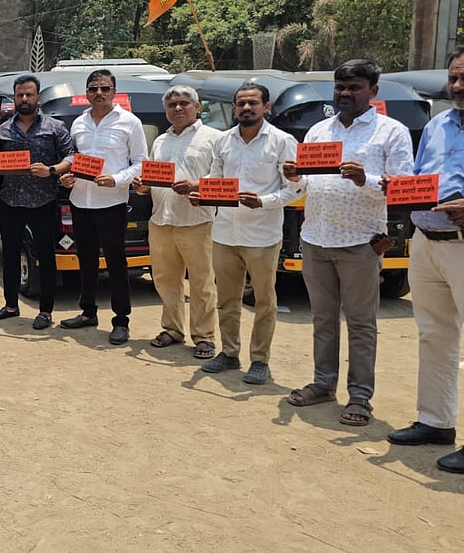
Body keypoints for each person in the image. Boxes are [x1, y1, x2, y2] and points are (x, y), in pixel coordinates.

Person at [283, 59, 413, 425]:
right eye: (340, 87)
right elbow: (306, 185)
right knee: (323, 319)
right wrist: (295, 176)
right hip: (316, 238)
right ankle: (324, 384)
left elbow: (403, 187)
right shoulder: (318, 131)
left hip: (360, 241)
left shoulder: (391, 131)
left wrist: (364, 179)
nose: (345, 93)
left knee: (360, 323)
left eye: (354, 87)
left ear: (373, 90)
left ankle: (359, 397)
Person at [386, 45, 464, 472]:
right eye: (453, 78)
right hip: (428, 240)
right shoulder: (437, 124)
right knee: (433, 334)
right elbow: (421, 179)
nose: (458, 86)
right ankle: (435, 421)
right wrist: (396, 187)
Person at [193, 83, 299, 385]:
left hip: (262, 235)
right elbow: (216, 177)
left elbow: (295, 188)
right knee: (227, 300)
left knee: (264, 301)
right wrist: (202, 192)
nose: (246, 108)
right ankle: (229, 353)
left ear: (266, 107)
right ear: (234, 108)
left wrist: (263, 201)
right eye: (241, 103)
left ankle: (260, 360)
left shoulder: (282, 141)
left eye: (253, 103)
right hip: (225, 232)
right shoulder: (224, 140)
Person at [58, 69, 148, 345]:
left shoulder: (129, 122)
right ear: (86, 93)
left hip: (111, 203)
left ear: (114, 92)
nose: (99, 93)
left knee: (116, 263)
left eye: (105, 88)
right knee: (85, 261)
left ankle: (121, 320)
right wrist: (68, 177)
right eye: (93, 88)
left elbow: (141, 163)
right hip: (80, 201)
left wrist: (117, 179)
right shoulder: (79, 123)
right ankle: (88, 312)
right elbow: (74, 159)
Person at [133, 84, 223, 358]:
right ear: (166, 110)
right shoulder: (161, 140)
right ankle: (172, 329)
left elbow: (224, 177)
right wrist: (143, 186)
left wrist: (197, 185)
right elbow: (152, 177)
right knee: (165, 280)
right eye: (172, 105)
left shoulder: (214, 138)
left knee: (201, 282)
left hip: (197, 221)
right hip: (161, 220)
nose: (178, 108)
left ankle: (204, 336)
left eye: (184, 103)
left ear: (198, 107)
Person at [0, 74, 73, 330]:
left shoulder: (54, 127)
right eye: (20, 95)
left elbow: (71, 157)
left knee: (46, 257)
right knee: (9, 255)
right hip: (10, 201)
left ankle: (45, 311)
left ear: (38, 97)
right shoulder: (4, 129)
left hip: (43, 201)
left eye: (29, 94)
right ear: (14, 98)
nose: (24, 98)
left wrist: (51, 170)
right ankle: (11, 305)